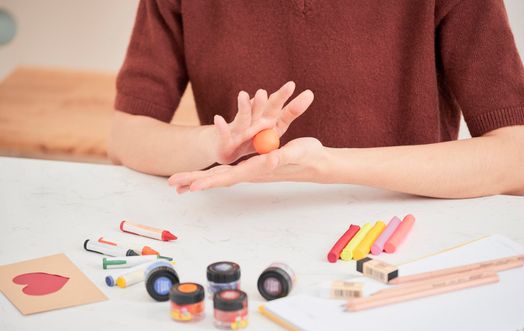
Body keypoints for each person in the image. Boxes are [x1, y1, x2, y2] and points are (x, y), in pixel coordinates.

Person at [108, 0, 524, 199]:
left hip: (398, 229)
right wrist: (214, 145)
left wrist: (330, 166)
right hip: (240, 226)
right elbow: (126, 135)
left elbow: (515, 156)